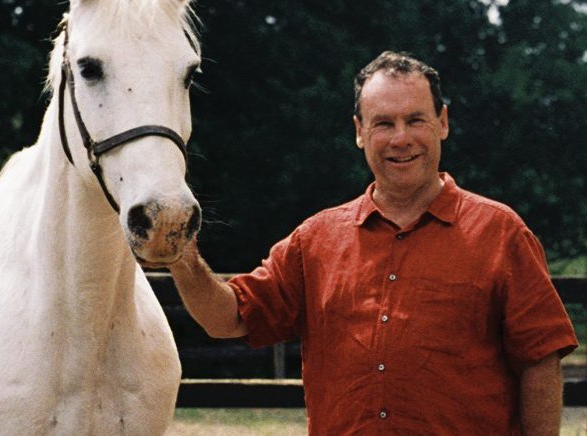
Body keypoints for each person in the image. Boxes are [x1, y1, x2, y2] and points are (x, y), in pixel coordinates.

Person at [150, 51, 579, 434]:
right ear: (359, 131)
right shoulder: (315, 240)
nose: (400, 138)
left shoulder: (501, 233)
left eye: (415, 120)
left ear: (442, 123)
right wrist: (181, 254)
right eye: (383, 123)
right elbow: (226, 319)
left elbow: (540, 360)